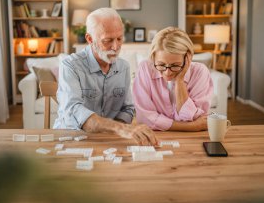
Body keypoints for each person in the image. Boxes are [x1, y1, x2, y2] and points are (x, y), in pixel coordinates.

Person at [53, 8, 158, 146]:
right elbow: (74, 110)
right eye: (107, 40)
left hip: (109, 140)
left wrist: (116, 131)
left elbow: (127, 108)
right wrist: (120, 128)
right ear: (90, 39)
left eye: (119, 38)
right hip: (71, 138)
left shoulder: (123, 67)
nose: (115, 47)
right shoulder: (70, 65)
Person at [133, 27, 213, 131]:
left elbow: (194, 118)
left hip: (191, 138)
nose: (167, 72)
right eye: (161, 65)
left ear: (188, 57)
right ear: (153, 57)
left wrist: (180, 81)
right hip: (157, 135)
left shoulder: (200, 72)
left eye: (175, 65)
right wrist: (192, 127)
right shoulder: (145, 68)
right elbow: (145, 118)